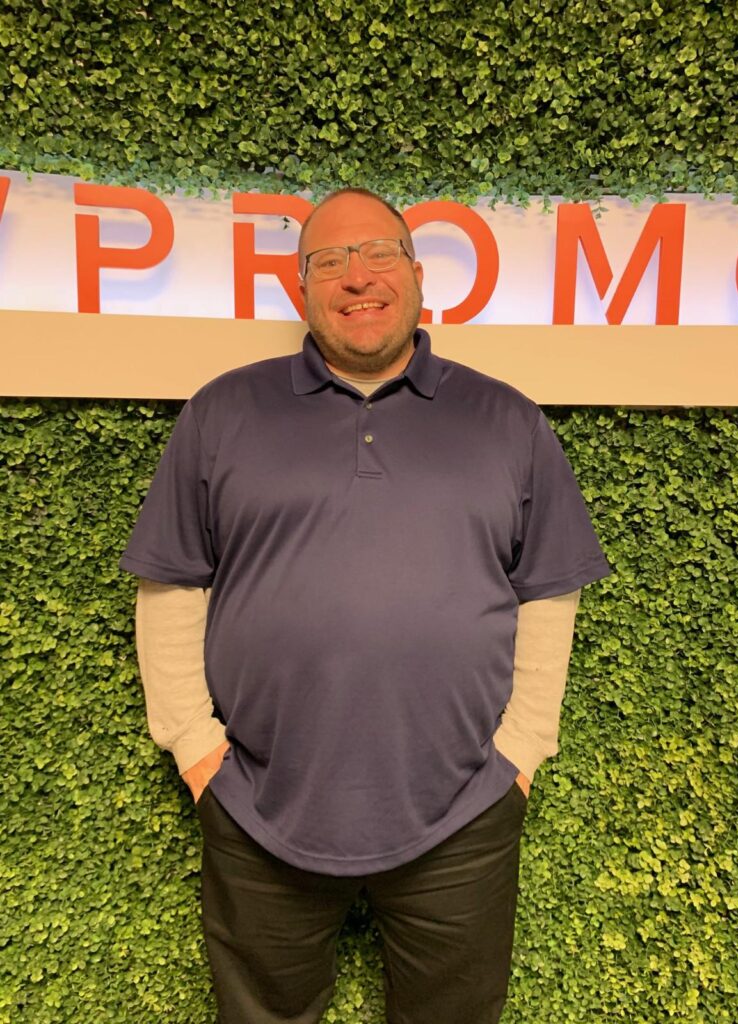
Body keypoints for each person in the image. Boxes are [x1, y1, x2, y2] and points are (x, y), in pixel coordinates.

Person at [120, 187, 610, 1024]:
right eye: (330, 260)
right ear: (299, 287)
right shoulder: (222, 413)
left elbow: (549, 593)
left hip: (463, 813)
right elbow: (171, 585)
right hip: (257, 808)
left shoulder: (507, 420)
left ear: (419, 275)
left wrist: (521, 752)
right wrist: (197, 751)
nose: (358, 277)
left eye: (379, 253)